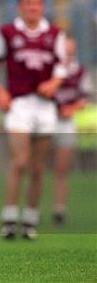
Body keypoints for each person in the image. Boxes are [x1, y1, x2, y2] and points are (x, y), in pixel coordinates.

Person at [0, 0, 67, 240]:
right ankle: (9, 218)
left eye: (38, 2)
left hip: (44, 107)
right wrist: (0, 92)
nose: (33, 6)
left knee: (38, 168)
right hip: (19, 104)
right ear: (20, 6)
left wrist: (53, 83)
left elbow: (63, 68)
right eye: (28, 2)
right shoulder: (6, 33)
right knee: (20, 162)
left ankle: (30, 220)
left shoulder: (54, 34)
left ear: (43, 6)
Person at [52, 37, 91, 225]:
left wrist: (71, 109)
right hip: (46, 122)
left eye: (71, 50)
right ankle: (30, 210)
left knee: (62, 169)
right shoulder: (49, 70)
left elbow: (85, 98)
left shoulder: (80, 71)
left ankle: (59, 209)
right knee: (34, 167)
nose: (69, 53)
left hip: (65, 123)